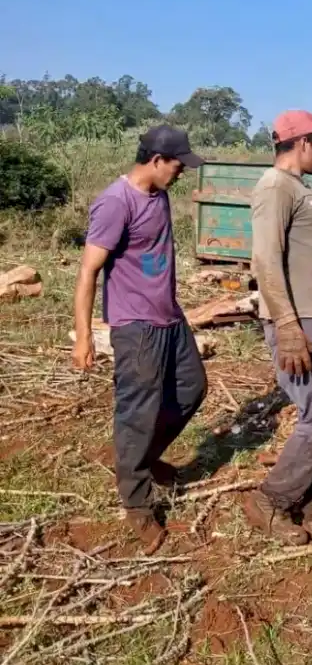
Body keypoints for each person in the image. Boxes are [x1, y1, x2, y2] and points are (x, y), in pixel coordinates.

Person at [73, 126, 207, 553]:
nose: (182, 172)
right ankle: (136, 503)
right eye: (178, 164)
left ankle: (141, 460)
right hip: (136, 325)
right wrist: (84, 336)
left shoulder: (160, 195)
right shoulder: (116, 203)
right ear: (155, 160)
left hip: (169, 316)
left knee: (191, 387)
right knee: (138, 411)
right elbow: (88, 271)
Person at [246, 110, 312, 546]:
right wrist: (287, 325)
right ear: (302, 142)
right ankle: (270, 501)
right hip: (297, 324)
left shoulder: (295, 188)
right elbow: (265, 259)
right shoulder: (274, 187)